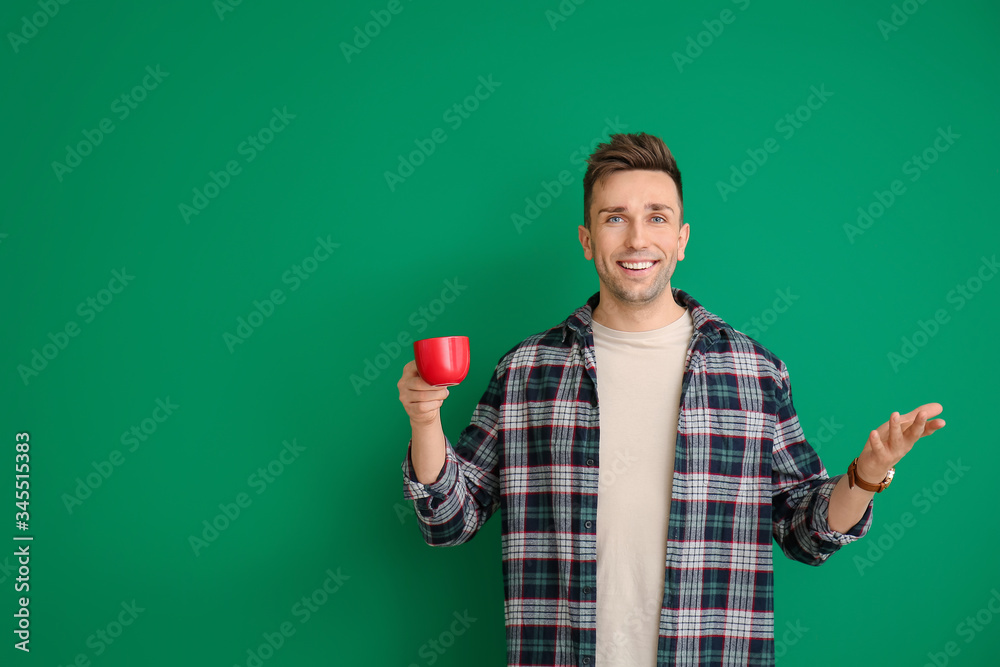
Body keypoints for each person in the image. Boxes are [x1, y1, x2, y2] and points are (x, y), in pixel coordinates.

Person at [396, 132, 946, 667]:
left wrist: (867, 474)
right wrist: (426, 421)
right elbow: (450, 521)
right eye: (615, 219)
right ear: (587, 240)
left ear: (681, 239)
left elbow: (805, 532)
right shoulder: (525, 371)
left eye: (656, 217)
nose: (637, 239)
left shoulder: (754, 371)